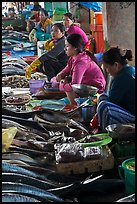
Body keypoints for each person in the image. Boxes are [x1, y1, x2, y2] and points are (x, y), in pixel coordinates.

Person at [92, 46, 135, 132]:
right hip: (128, 108)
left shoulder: (123, 77)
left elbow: (111, 102)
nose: (107, 71)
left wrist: (96, 117)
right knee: (102, 97)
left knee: (104, 107)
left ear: (116, 65)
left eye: (107, 67)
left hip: (133, 115)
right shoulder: (129, 70)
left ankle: (106, 134)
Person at [55, 33, 106, 105]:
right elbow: (66, 70)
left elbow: (74, 85)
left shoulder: (81, 62)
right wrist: (60, 75)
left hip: (94, 90)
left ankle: (75, 106)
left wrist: (61, 86)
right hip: (85, 85)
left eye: (67, 46)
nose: (65, 49)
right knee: (66, 80)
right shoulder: (74, 57)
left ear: (75, 47)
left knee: (66, 84)